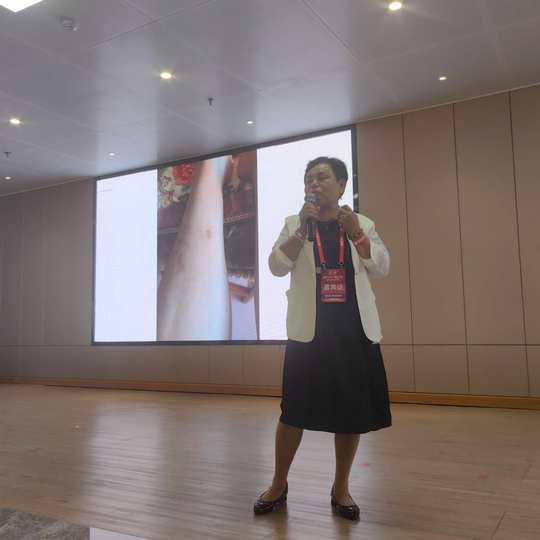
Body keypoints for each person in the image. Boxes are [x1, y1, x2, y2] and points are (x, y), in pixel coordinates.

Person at [253, 156, 392, 521]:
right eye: (309, 179)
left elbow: (381, 266)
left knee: (351, 415)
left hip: (353, 332)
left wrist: (357, 234)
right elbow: (276, 266)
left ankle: (340, 488)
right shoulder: (294, 223)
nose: (313, 184)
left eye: (322, 177)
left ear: (342, 185)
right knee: (293, 412)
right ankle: (278, 484)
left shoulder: (361, 223)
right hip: (308, 333)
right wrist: (301, 230)